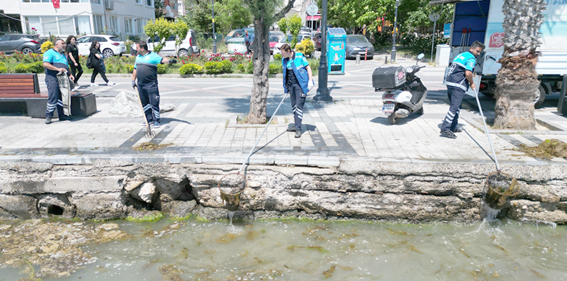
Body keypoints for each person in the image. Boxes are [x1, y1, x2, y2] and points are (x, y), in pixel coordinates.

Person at [440, 41, 485, 139]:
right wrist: (472, 83)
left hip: (450, 82)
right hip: (458, 84)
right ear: (471, 48)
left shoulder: (461, 55)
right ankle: (445, 128)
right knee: (454, 107)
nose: (478, 54)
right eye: (477, 51)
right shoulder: (471, 58)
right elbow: (468, 72)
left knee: (457, 106)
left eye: (479, 52)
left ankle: (454, 126)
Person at [131, 41, 176, 128]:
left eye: (137, 48)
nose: (136, 49)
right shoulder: (138, 57)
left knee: (154, 102)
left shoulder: (153, 56)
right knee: (145, 103)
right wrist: (133, 80)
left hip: (151, 84)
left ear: (142, 48)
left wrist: (170, 61)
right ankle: (149, 119)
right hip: (140, 85)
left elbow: (162, 59)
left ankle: (156, 120)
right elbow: (135, 69)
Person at [280, 43, 315, 138]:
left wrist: (310, 81)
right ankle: (296, 125)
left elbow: (308, 67)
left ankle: (298, 129)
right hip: (291, 86)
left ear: (288, 51)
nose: (282, 55)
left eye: (283, 53)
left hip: (300, 85)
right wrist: (286, 87)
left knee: (299, 106)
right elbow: (285, 75)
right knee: (294, 106)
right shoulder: (284, 60)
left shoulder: (299, 56)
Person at [42, 39, 74, 124]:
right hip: (52, 78)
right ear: (56, 45)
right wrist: (57, 69)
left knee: (62, 96)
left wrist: (70, 74)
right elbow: (46, 64)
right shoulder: (50, 52)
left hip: (63, 78)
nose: (64, 45)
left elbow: (66, 66)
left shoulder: (63, 55)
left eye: (64, 44)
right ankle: (49, 115)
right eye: (62, 44)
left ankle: (62, 115)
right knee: (53, 96)